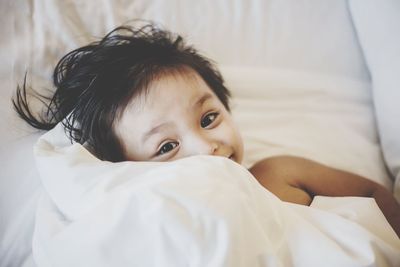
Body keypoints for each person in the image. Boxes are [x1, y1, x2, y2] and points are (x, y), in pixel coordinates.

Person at [13, 23, 400, 237]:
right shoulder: (160, 223)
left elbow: (370, 192)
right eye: (166, 146)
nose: (205, 146)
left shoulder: (278, 172)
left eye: (209, 118)